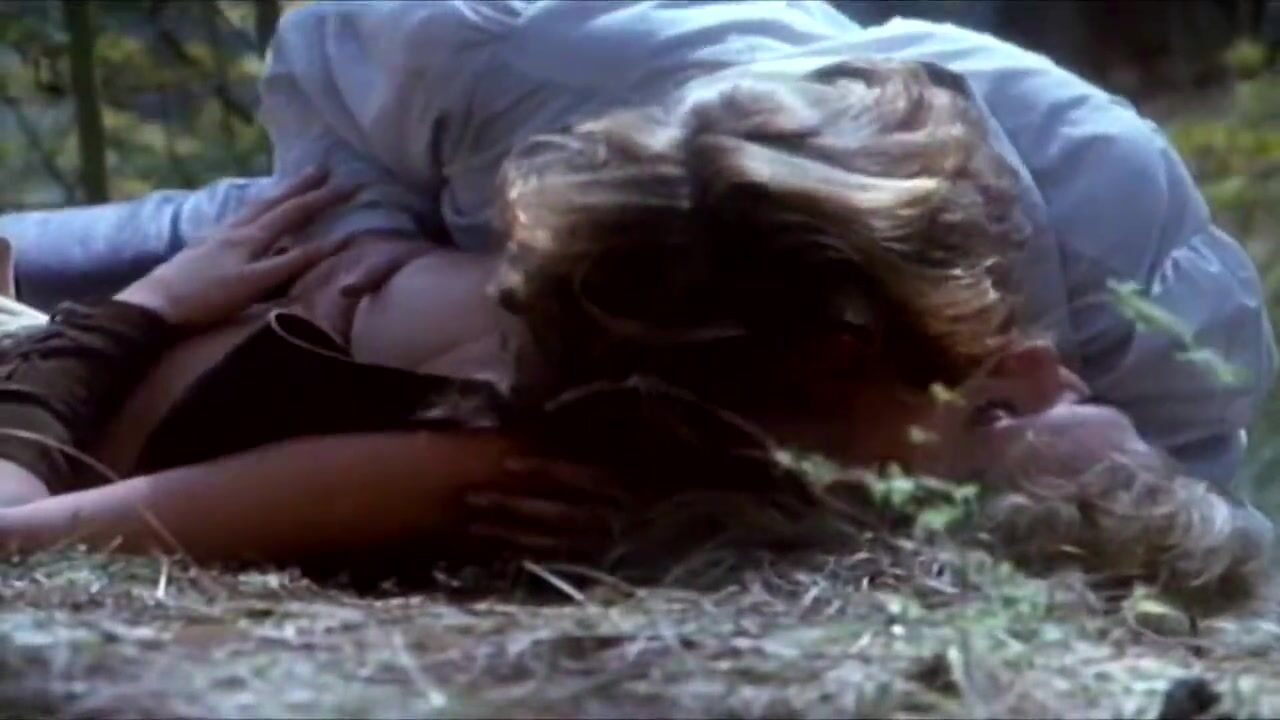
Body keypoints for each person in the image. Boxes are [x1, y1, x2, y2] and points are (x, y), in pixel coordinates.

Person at [0, 59, 1270, 614]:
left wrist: (134, 315)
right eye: (1070, 388)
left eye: (1000, 415)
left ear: (888, 519)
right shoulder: (664, 328)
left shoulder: (496, 464)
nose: (1039, 355)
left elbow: (19, 544)